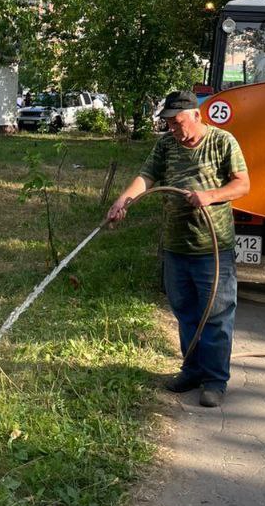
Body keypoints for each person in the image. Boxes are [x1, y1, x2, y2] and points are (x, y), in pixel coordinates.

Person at [106, 89, 250, 408]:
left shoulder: (223, 142)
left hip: (212, 248)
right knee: (185, 311)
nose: (173, 128)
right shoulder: (166, 144)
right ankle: (193, 369)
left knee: (216, 313)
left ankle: (214, 380)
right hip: (175, 246)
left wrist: (210, 196)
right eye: (168, 123)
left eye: (177, 121)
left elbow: (242, 184)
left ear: (196, 115)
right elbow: (146, 177)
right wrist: (123, 201)